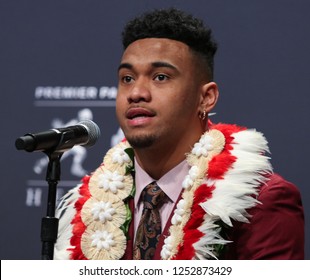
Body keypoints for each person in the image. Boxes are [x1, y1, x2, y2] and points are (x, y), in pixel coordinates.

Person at [54, 8, 304, 260]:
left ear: (206, 98)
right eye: (127, 78)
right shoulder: (85, 207)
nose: (136, 92)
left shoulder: (260, 203)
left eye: (160, 77)